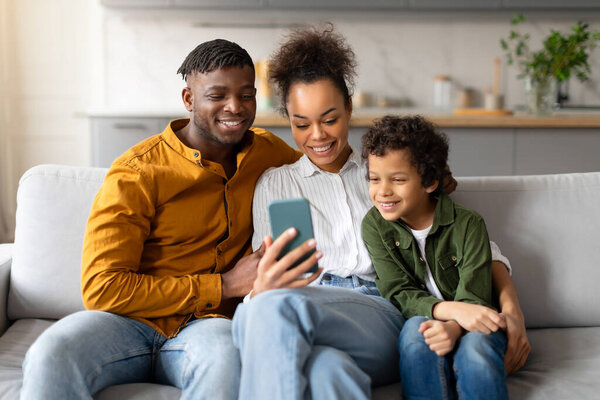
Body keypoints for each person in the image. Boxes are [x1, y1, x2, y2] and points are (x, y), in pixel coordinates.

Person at [231, 25, 528, 400]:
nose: (317, 136)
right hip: (301, 313)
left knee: (271, 309)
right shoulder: (273, 185)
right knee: (326, 371)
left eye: (329, 119)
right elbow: (266, 271)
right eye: (301, 123)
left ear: (349, 108)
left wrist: (512, 311)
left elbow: (480, 249)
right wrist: (264, 285)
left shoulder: (385, 176)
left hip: (377, 316)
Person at [20, 39, 299, 399]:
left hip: (207, 328)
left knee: (226, 356)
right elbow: (102, 287)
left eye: (247, 95)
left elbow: (323, 173)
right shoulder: (138, 171)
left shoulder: (268, 151)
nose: (235, 107)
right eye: (217, 95)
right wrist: (224, 285)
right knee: (50, 354)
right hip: (125, 324)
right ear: (189, 99)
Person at [362, 115, 508, 400]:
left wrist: (454, 328)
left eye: (398, 179)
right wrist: (449, 313)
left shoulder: (468, 224)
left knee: (477, 351)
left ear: (429, 182)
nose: (383, 191)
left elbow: (475, 298)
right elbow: (398, 292)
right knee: (416, 337)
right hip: (425, 318)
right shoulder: (374, 225)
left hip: (475, 319)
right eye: (375, 179)